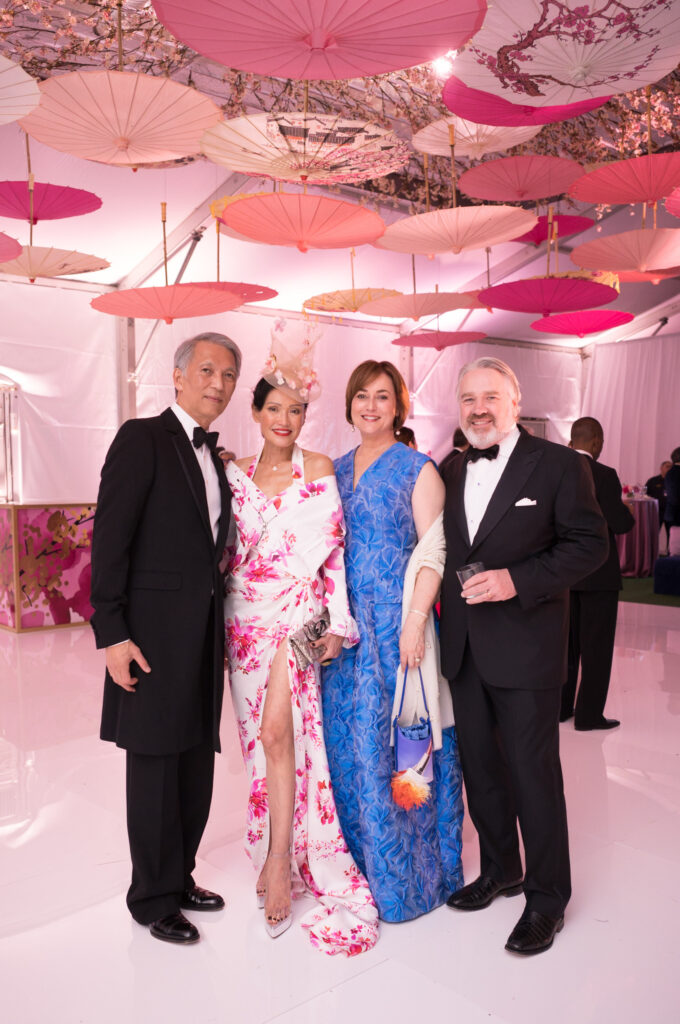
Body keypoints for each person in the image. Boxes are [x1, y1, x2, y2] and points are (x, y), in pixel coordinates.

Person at [439, 357, 608, 956]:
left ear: (515, 402)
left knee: (535, 776)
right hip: (464, 647)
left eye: (490, 396)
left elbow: (589, 545)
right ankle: (500, 869)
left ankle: (546, 898)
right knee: (481, 770)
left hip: (528, 647)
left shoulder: (559, 465)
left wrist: (519, 579)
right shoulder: (452, 468)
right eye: (467, 399)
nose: (478, 408)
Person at [223, 327, 378, 955]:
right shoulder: (233, 472)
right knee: (259, 741)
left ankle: (282, 861)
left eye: (296, 410)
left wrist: (337, 623)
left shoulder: (319, 469)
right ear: (256, 413)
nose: (285, 419)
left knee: (281, 730)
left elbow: (333, 556)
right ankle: (271, 840)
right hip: (243, 620)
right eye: (274, 408)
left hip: (301, 617)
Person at [90, 332, 240, 945]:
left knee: (193, 764)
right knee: (154, 767)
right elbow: (110, 540)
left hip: (203, 636)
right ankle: (151, 898)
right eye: (206, 370)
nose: (218, 383)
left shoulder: (216, 457)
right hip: (149, 637)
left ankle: (179, 876)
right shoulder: (142, 438)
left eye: (229, 375)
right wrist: (112, 632)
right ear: (177, 377)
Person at [322, 359, 464, 923]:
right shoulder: (329, 469)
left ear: (398, 407)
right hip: (345, 633)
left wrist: (414, 622)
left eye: (383, 397)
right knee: (348, 748)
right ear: (350, 403)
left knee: (403, 749)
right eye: (362, 395)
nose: (371, 407)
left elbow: (434, 550)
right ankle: (353, 868)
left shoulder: (417, 468)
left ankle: (411, 877)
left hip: (397, 629)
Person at [561, 417, 634, 731]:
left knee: (564, 648)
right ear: (596, 441)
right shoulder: (605, 475)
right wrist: (625, 512)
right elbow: (621, 524)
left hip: (562, 576)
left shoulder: (556, 471)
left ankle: (560, 709)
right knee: (596, 648)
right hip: (598, 576)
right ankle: (589, 715)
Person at [646, 460, 672, 554]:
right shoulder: (653, 481)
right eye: (667, 466)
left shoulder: (675, 481)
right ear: (661, 468)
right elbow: (645, 495)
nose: (670, 468)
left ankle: (670, 554)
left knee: (671, 534)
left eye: (671, 467)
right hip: (656, 512)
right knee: (654, 533)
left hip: (670, 511)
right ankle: (652, 554)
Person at [663, 448, 680, 557]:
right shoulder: (674, 473)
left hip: (674, 513)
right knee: (675, 549)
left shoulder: (671, 472)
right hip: (677, 515)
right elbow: (674, 496)